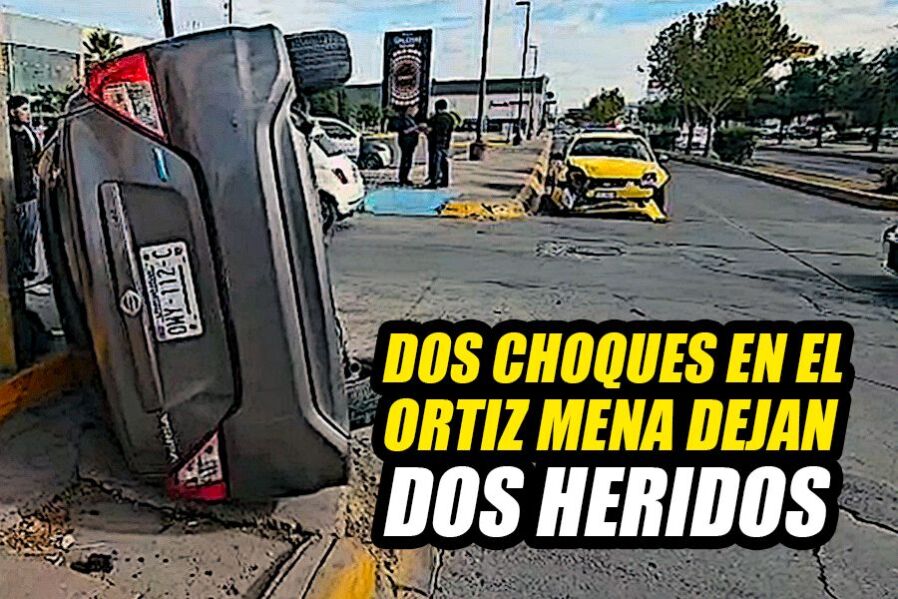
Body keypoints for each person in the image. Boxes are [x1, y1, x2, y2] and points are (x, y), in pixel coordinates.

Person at [9, 96, 42, 284]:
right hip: (12, 193)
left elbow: (37, 158)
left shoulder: (29, 134)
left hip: (29, 192)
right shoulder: (7, 137)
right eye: (24, 109)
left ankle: (28, 271)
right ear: (13, 112)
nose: (28, 114)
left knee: (30, 234)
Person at [426, 99, 455, 188]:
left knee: (435, 161)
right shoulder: (449, 118)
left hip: (435, 142)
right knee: (444, 161)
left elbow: (430, 129)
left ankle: (434, 180)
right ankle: (445, 180)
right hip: (445, 142)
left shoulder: (436, 118)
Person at [395, 105, 420, 186]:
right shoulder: (403, 119)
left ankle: (406, 177)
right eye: (415, 109)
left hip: (412, 143)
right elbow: (404, 131)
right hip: (405, 142)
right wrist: (415, 128)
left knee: (409, 160)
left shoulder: (412, 119)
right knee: (405, 160)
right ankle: (402, 178)